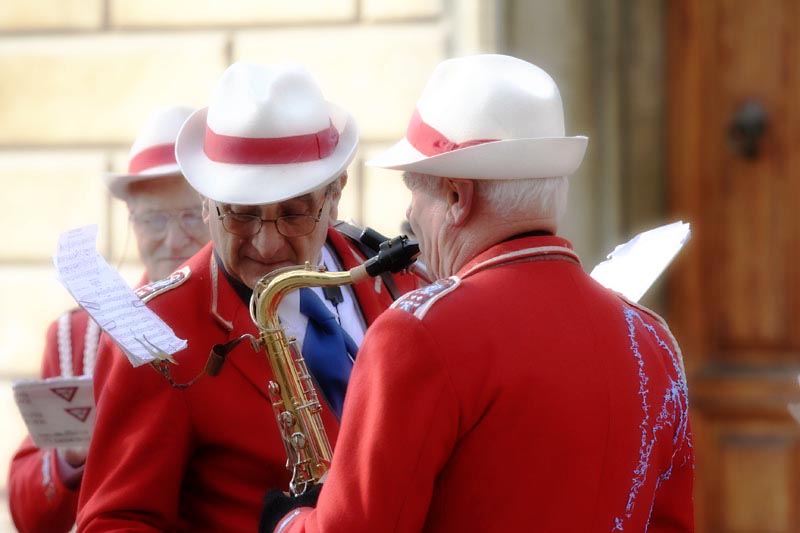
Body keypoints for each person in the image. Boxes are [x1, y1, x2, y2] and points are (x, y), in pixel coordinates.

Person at [261, 54, 695, 532]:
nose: (411, 215)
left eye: (415, 192)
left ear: (456, 198)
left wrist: (288, 522)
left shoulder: (418, 331)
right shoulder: (653, 341)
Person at [76, 62, 420, 532]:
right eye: (240, 216)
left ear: (336, 194)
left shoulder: (396, 278)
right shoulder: (155, 331)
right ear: (206, 203)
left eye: (294, 213)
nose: (266, 244)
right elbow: (115, 521)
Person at [7, 105, 210, 533]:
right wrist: (73, 456)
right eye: (154, 219)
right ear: (132, 222)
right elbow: (30, 515)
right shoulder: (77, 337)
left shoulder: (252, 320)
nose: (174, 239)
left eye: (192, 215)